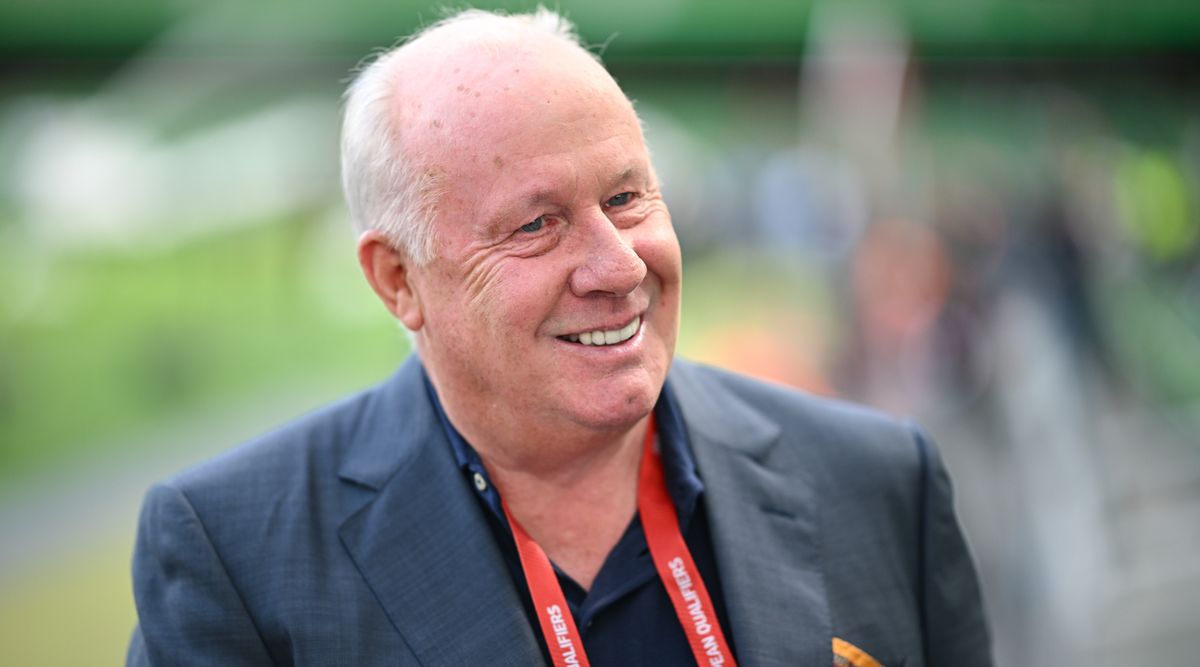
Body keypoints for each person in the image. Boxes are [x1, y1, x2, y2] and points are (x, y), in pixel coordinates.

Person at [127, 8, 991, 667]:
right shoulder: (237, 556)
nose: (618, 266)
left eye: (626, 199)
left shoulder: (881, 482)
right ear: (398, 279)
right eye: (538, 224)